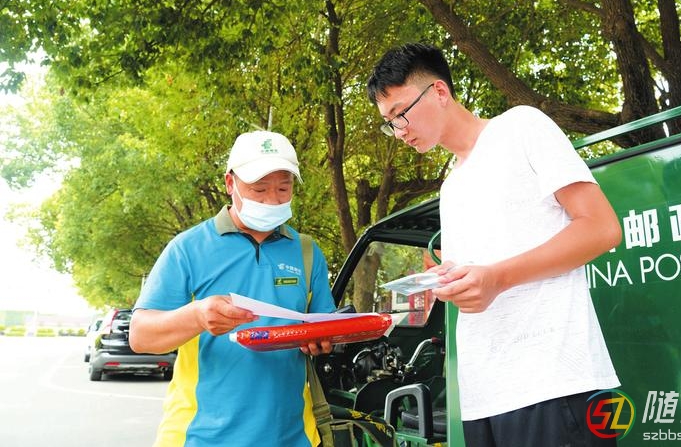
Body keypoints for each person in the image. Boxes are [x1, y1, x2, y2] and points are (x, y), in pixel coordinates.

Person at [366, 43, 622, 446]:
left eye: (401, 114)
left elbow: (601, 228)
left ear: (439, 91)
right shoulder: (451, 188)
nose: (400, 131)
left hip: (553, 382)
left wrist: (496, 278)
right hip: (483, 395)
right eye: (390, 123)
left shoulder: (521, 127)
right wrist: (449, 281)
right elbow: (480, 279)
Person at [130, 130, 336, 447]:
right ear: (230, 183)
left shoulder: (308, 252)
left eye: (284, 188)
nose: (272, 200)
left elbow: (326, 327)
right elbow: (141, 336)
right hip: (201, 437)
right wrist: (197, 316)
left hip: (294, 436)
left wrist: (322, 340)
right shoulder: (188, 248)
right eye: (259, 189)